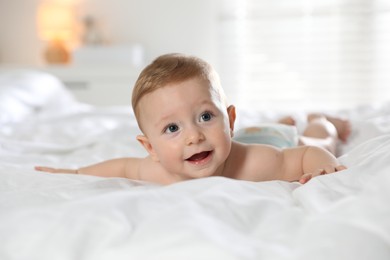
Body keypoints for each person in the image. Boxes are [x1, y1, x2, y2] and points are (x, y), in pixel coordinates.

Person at [35, 53, 350, 185]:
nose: (194, 136)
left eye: (205, 116)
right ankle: (282, 121)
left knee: (318, 137)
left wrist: (322, 165)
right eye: (172, 128)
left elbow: (308, 154)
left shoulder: (256, 163)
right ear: (151, 149)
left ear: (229, 119)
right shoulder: (157, 171)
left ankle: (319, 118)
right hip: (244, 136)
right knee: (272, 129)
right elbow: (120, 167)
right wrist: (74, 171)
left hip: (270, 141)